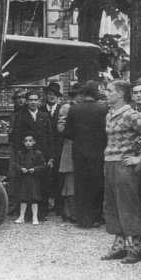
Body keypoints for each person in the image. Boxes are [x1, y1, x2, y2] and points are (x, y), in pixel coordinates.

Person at [101, 79, 141, 264]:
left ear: (120, 94)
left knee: (128, 205)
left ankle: (134, 249)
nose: (105, 93)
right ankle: (119, 246)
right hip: (109, 163)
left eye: (109, 90)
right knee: (112, 205)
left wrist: (140, 158)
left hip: (124, 166)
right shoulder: (109, 114)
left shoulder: (130, 114)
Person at [64, 81, 107, 229]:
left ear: (83, 94)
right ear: (96, 95)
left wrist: (79, 137)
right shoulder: (103, 109)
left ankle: (82, 219)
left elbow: (67, 132)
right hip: (98, 153)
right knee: (96, 185)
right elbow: (106, 132)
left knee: (81, 185)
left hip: (80, 153)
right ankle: (95, 217)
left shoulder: (74, 109)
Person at [11, 90, 54, 221]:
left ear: (39, 101)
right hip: (26, 156)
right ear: (27, 101)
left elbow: (50, 137)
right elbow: (17, 138)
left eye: (36, 100)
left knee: (42, 184)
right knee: (26, 184)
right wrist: (20, 157)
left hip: (42, 156)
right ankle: (26, 213)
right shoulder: (21, 116)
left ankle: (41, 213)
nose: (33, 102)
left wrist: (51, 157)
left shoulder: (44, 115)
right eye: (30, 100)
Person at [57, 82, 82, 222]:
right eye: (79, 95)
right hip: (70, 146)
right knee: (70, 180)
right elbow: (61, 128)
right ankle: (69, 211)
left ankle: (71, 211)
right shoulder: (67, 108)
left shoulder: (80, 107)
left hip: (80, 147)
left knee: (75, 180)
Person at [39, 81, 64, 216]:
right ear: (46, 96)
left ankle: (58, 206)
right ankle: (44, 205)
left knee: (58, 176)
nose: (52, 97)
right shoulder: (41, 110)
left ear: (58, 96)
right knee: (44, 176)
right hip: (45, 147)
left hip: (59, 147)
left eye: (54, 95)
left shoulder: (62, 110)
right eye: (49, 94)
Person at [13, 132, 45, 225]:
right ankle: (21, 217)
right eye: (26, 141)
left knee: (34, 198)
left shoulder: (38, 153)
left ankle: (35, 217)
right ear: (23, 142)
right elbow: (15, 164)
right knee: (23, 198)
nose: (28, 143)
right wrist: (21, 169)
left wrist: (34, 169)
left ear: (34, 142)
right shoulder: (20, 153)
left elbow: (43, 165)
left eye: (30, 141)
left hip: (34, 179)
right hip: (23, 179)